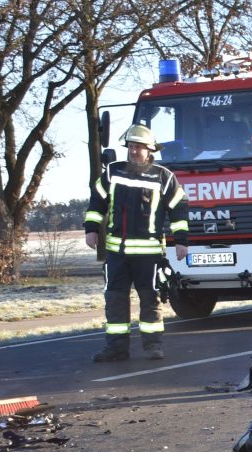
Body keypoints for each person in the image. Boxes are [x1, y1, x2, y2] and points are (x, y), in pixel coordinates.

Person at [84, 123, 189, 362]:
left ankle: (153, 346)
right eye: (130, 146)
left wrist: (181, 241)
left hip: (149, 255)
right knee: (115, 300)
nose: (133, 151)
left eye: (138, 147)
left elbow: (179, 209)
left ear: (149, 150)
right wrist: (91, 230)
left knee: (151, 299)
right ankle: (116, 348)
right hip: (116, 254)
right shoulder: (113, 172)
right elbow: (96, 201)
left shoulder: (164, 177)